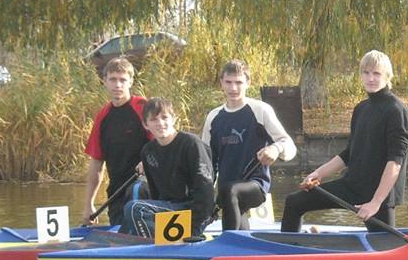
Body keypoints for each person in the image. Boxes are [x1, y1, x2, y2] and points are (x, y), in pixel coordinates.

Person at [280, 50, 408, 233]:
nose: (371, 78)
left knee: (385, 245)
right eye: (366, 73)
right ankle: (289, 252)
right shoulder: (361, 108)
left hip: (378, 194)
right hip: (352, 185)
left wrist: (375, 203)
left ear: (388, 76)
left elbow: (395, 162)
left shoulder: (397, 110)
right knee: (294, 202)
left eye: (376, 73)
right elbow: (349, 154)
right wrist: (318, 174)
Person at [202, 59, 297, 230]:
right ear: (221, 83)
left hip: (255, 185)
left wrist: (275, 148)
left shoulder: (260, 110)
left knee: (230, 190)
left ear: (248, 83)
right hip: (226, 192)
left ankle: (229, 245)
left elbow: (289, 146)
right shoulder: (213, 117)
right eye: (228, 82)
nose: (233, 88)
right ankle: (241, 249)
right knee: (228, 194)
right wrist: (204, 195)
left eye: (239, 82)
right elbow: (206, 162)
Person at [123, 97, 215, 239]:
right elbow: (155, 193)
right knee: (134, 200)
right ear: (146, 125)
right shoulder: (147, 151)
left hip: (192, 212)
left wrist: (194, 230)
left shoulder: (191, 144)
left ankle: (150, 249)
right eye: (154, 119)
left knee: (135, 208)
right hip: (168, 208)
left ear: (174, 119)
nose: (160, 123)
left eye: (164, 117)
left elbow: (206, 191)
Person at [81, 57, 151, 229]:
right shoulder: (103, 116)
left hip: (144, 188)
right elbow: (97, 163)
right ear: (104, 81)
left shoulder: (143, 107)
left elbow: (165, 142)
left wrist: (148, 159)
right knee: (121, 234)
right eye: (113, 79)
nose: (117, 85)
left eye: (122, 80)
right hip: (116, 193)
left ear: (131, 82)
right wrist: (88, 203)